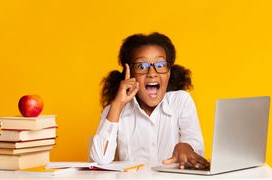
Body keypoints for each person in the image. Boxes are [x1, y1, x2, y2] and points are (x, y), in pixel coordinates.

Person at [90, 32, 210, 169]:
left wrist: (186, 147)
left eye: (160, 65)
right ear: (129, 74)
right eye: (142, 67)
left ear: (169, 72)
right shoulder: (114, 111)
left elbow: (196, 148)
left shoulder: (180, 101)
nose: (152, 73)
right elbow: (100, 159)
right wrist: (117, 104)